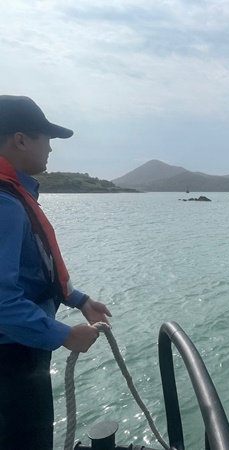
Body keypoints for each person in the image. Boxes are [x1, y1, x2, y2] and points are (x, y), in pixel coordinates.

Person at [0, 95, 113, 449]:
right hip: (11, 360)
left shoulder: (12, 195)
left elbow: (31, 270)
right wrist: (64, 335)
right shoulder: (4, 203)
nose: (50, 148)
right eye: (46, 138)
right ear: (21, 139)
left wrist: (79, 299)